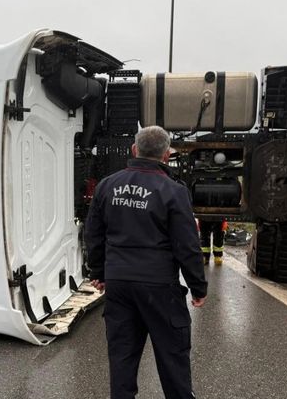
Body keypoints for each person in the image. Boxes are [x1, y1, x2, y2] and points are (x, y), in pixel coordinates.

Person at [85, 125, 207, 399]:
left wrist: (99, 271)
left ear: (134, 150)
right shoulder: (174, 191)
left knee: (122, 358)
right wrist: (198, 286)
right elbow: (187, 245)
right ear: (166, 156)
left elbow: (93, 233)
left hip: (119, 286)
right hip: (159, 287)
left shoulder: (107, 185)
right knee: (173, 357)